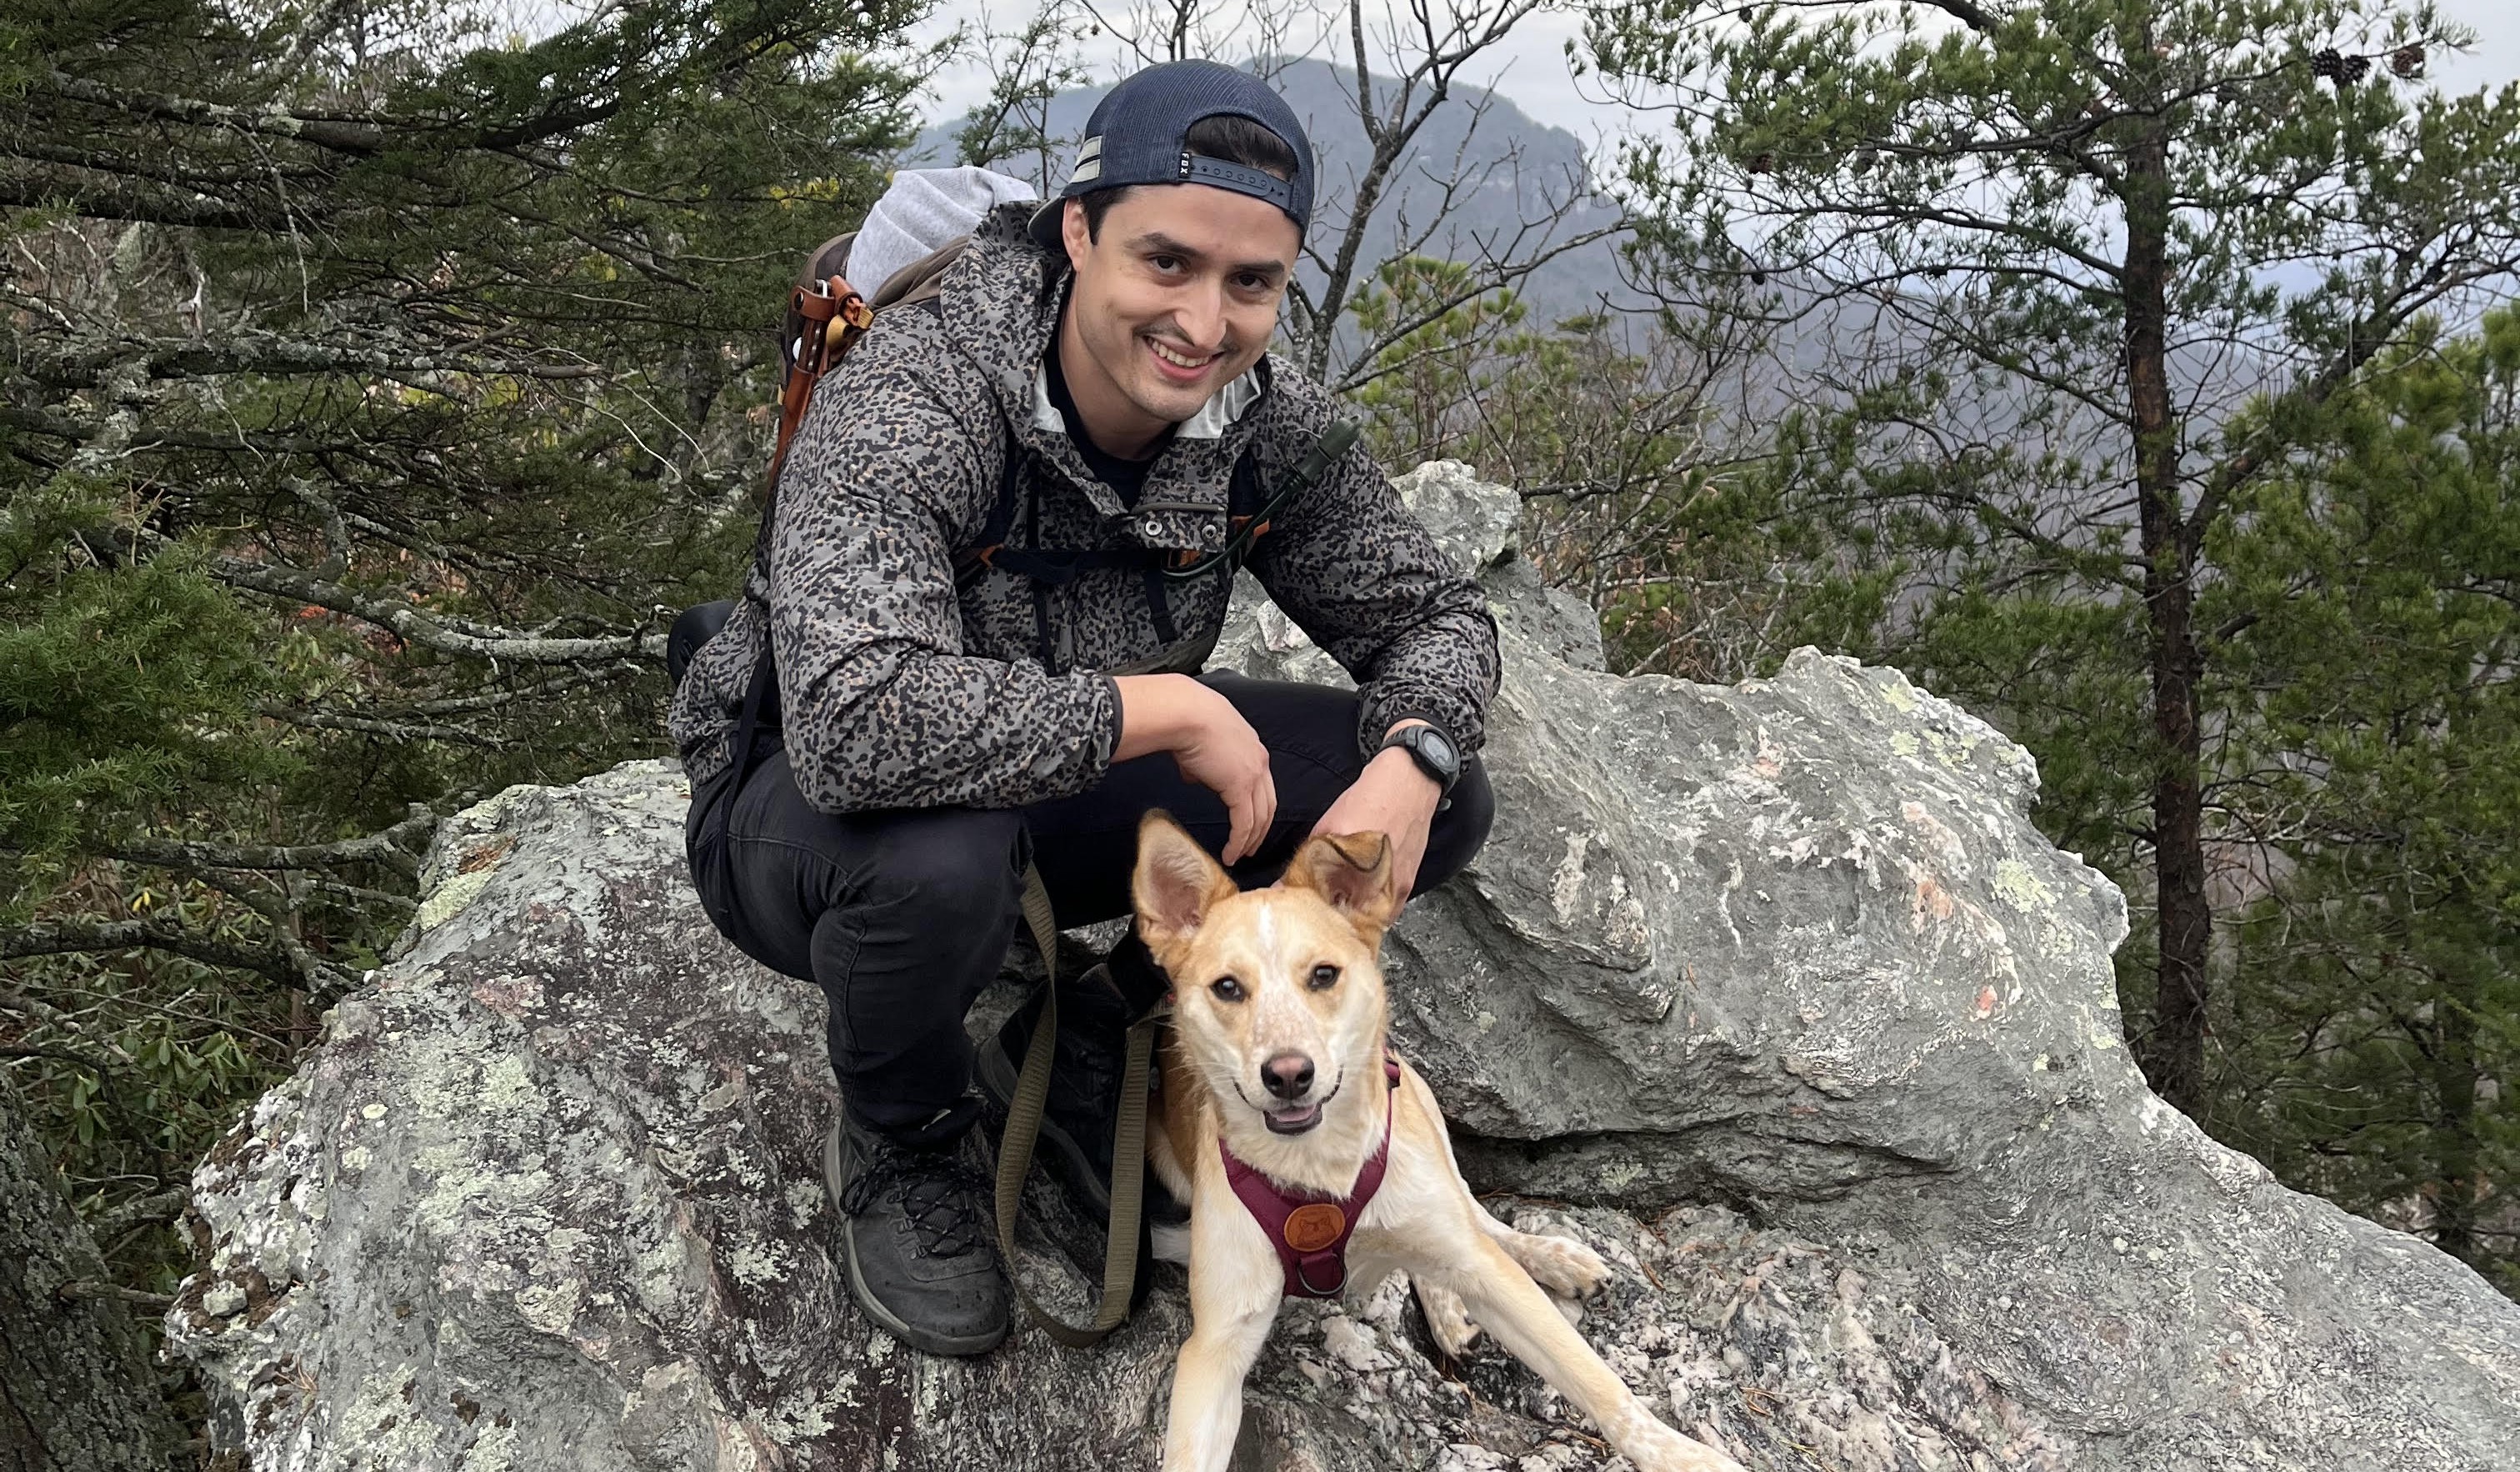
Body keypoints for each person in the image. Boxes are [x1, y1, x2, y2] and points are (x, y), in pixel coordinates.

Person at [666, 58, 1500, 1356]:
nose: (1204, 321)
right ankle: (904, 1127)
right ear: (1077, 232)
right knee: (943, 866)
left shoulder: (1261, 424)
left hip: (1052, 783)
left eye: (1251, 283)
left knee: (1416, 810)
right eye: (1163, 261)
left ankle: (1116, 1022)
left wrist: (1418, 751)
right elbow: (851, 722)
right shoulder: (918, 397)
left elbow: (1436, 616)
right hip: (805, 804)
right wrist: (1161, 710)